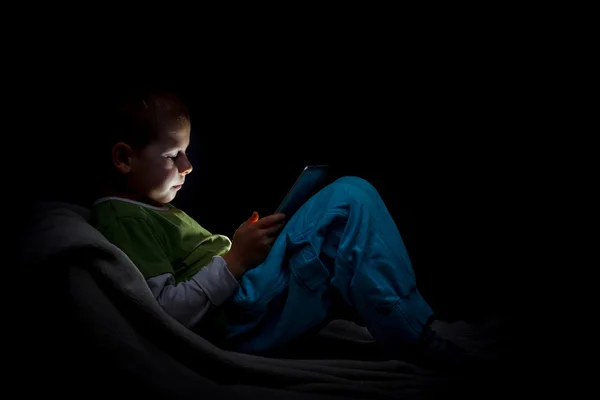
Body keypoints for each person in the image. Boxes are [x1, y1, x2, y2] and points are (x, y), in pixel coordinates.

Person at [90, 88, 473, 370]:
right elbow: (166, 313)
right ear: (124, 158)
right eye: (174, 155)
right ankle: (415, 338)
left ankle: (403, 325)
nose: (188, 165)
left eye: (186, 152)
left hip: (248, 293)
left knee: (344, 206)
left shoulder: (148, 209)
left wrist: (244, 250)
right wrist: (235, 259)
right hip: (241, 314)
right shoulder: (123, 217)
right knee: (348, 198)